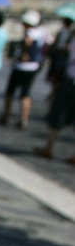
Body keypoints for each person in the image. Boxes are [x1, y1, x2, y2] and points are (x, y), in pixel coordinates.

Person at [0, 10, 49, 129]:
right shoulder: (43, 31)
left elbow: (27, 41)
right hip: (34, 66)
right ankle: (24, 119)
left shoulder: (30, 32)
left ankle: (6, 116)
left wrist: (24, 53)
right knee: (26, 93)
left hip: (22, 66)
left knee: (10, 92)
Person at [34, 25, 75, 163]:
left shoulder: (72, 39)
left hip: (70, 80)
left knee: (58, 112)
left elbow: (66, 53)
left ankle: (49, 147)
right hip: (69, 79)